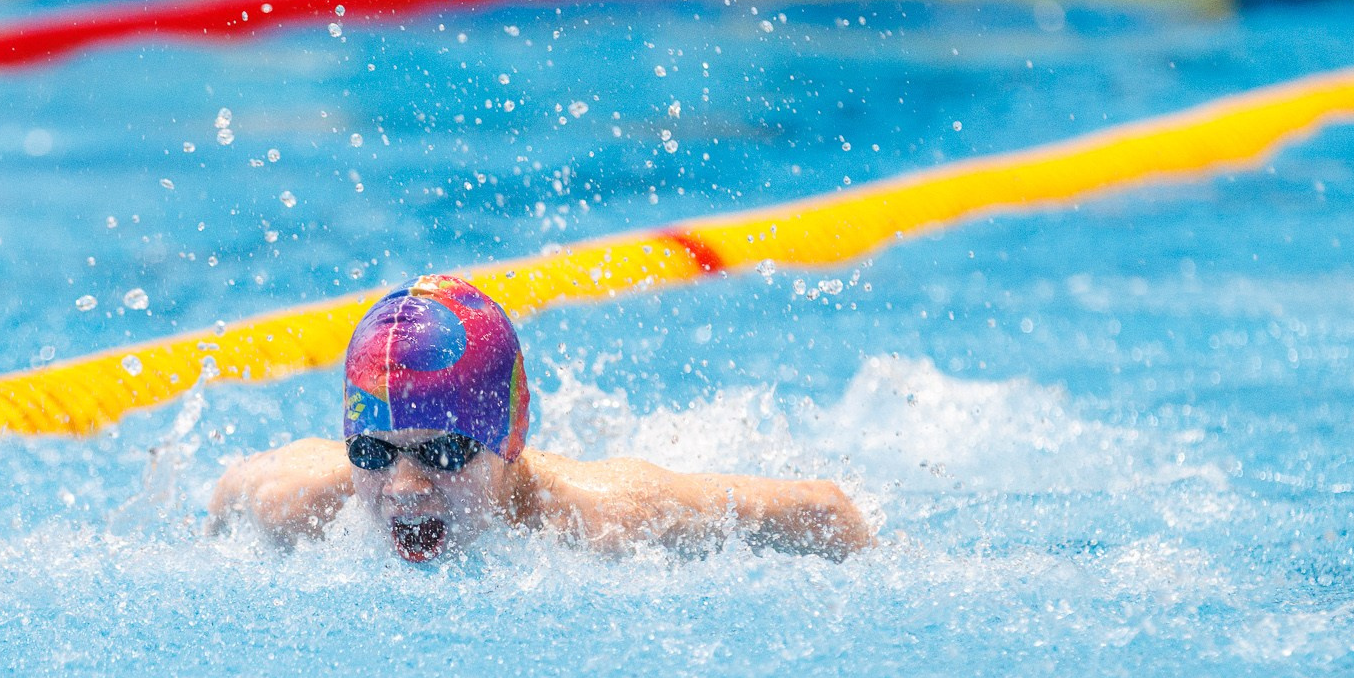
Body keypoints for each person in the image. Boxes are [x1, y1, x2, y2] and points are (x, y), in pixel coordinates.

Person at [208, 274, 871, 563]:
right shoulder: (290, 502)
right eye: (375, 453)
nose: (404, 488)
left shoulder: (609, 519)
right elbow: (224, 504)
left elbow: (826, 512)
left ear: (510, 440)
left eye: (444, 452)